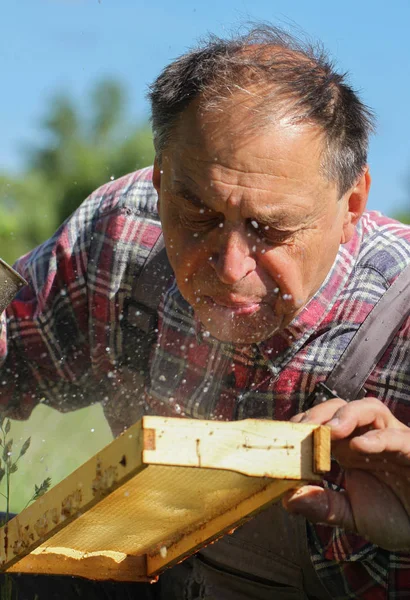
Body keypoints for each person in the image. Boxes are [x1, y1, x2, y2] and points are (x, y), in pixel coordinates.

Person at [1, 24, 410, 599]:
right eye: (198, 215)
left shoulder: (403, 320)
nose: (229, 264)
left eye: (270, 230)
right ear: (162, 179)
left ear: (353, 207)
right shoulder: (123, 234)